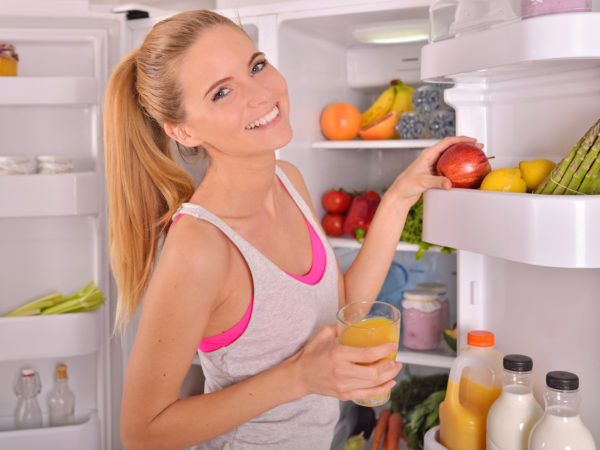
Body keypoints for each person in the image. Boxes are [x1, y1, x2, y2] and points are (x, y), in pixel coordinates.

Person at [103, 9, 477, 450]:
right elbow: (142, 433)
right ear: (182, 131)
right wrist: (299, 376)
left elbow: (341, 311)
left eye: (256, 65)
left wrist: (398, 198)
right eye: (221, 92)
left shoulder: (289, 180)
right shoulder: (202, 245)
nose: (260, 93)